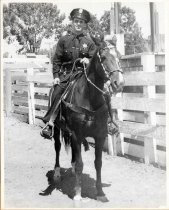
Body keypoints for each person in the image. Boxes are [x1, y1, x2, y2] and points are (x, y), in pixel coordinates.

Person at [41, 8, 96, 139]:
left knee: (99, 93)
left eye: (81, 22)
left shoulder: (90, 42)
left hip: (82, 75)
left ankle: (105, 123)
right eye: (76, 21)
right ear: (72, 22)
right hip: (65, 75)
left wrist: (88, 60)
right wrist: (55, 77)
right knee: (57, 92)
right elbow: (56, 60)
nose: (78, 24)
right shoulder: (64, 40)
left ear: (85, 25)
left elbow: (96, 61)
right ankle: (50, 123)